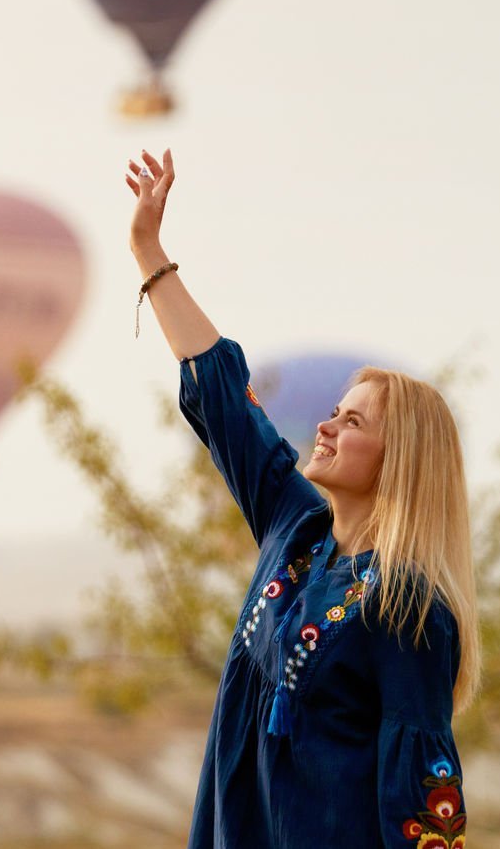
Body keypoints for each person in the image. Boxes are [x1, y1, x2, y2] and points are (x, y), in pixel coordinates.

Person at [126, 149, 481, 848]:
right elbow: (228, 402)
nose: (325, 425)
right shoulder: (297, 532)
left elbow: (424, 792)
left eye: (353, 422)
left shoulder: (411, 607)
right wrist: (148, 252)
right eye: (334, 411)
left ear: (400, 459)